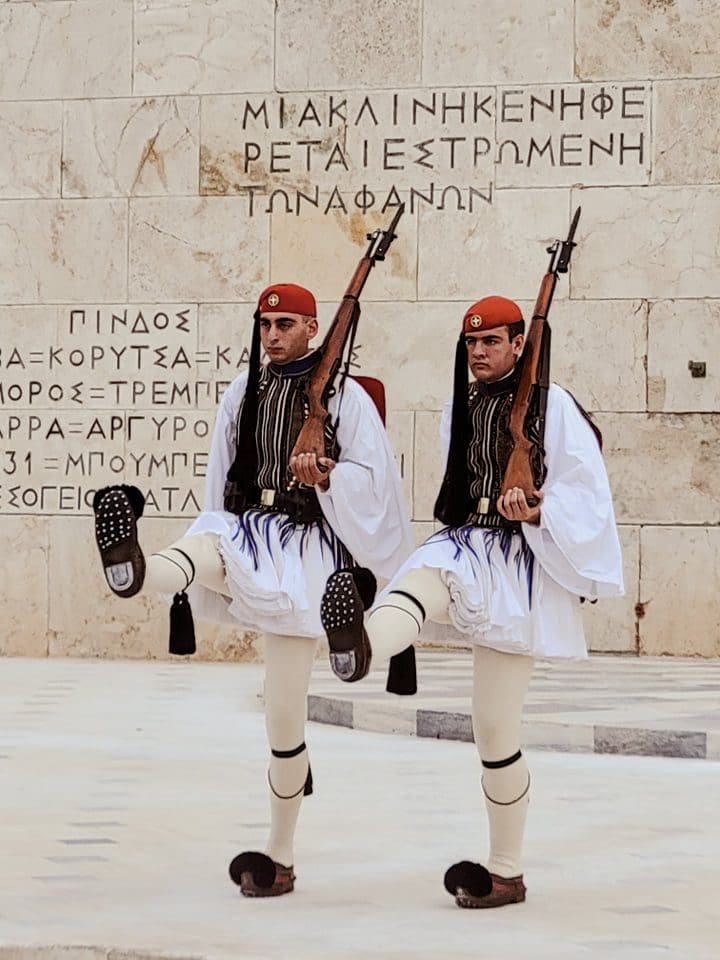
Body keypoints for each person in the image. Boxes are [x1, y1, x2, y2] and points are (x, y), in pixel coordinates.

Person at [92, 282, 413, 897]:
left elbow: (378, 486)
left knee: (283, 718)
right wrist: (222, 543)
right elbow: (221, 475)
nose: (272, 335)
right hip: (250, 531)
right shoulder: (246, 388)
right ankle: (136, 568)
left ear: (313, 328)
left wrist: (328, 477)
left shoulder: (343, 396)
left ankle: (280, 853)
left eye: (286, 324)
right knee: (206, 536)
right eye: (266, 325)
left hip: (311, 550)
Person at [320, 295, 623, 908]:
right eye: (471, 343)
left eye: (492, 342)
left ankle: (506, 871)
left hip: (521, 564)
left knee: (494, 728)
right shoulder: (459, 405)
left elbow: (587, 491)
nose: (479, 352)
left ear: (519, 344)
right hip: (467, 541)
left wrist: (539, 508)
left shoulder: (551, 404)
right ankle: (361, 642)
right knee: (420, 578)